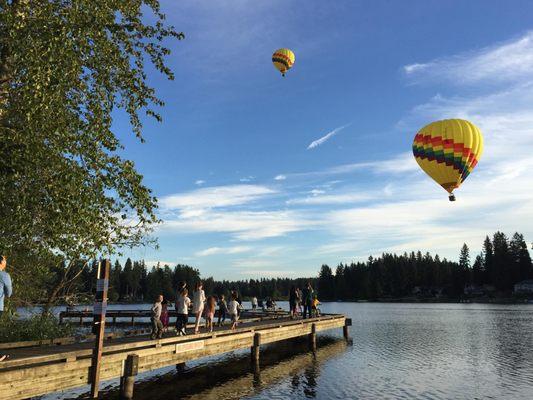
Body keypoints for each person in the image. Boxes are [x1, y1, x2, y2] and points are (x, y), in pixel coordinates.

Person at [0, 256, 12, 361]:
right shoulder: (4, 275)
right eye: (5, 261)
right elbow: (9, 293)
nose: (6, 263)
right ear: (1, 263)